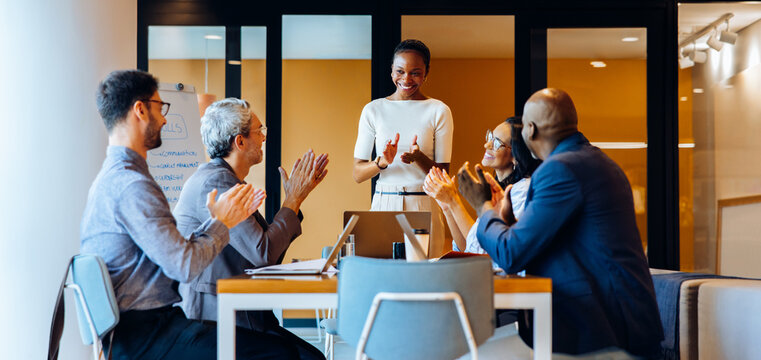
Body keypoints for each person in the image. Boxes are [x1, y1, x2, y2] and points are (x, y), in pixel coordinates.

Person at [80, 70, 301, 359]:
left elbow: (176, 255)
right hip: (143, 335)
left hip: (142, 327)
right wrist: (221, 223)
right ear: (140, 110)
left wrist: (216, 224)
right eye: (161, 108)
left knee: (280, 350)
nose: (165, 119)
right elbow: (183, 266)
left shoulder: (114, 178)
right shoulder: (133, 186)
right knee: (278, 354)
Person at [457, 88, 664, 358]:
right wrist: (509, 223)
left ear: (529, 130)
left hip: (603, 332)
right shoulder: (597, 161)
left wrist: (483, 205)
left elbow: (511, 254)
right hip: (622, 324)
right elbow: (562, 242)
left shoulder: (560, 169)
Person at [173, 98, 327, 359]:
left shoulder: (228, 180)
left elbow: (265, 257)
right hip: (213, 318)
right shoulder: (217, 182)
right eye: (259, 131)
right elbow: (263, 252)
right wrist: (293, 201)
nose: (264, 138)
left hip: (239, 311)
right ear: (240, 141)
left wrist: (294, 201)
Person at [352, 39, 453, 257]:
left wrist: (419, 157)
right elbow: (358, 174)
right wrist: (382, 162)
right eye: (400, 71)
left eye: (415, 72)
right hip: (384, 201)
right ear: (391, 72)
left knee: (424, 277)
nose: (406, 79)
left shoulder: (439, 110)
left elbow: (444, 175)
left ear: (426, 73)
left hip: (424, 203)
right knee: (382, 272)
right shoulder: (373, 110)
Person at [423, 117, 540, 261]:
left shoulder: (522, 190)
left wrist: (454, 201)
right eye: (490, 137)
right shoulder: (496, 188)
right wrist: (447, 206)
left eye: (497, 143)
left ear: (516, 156)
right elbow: (467, 247)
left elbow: (482, 249)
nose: (486, 145)